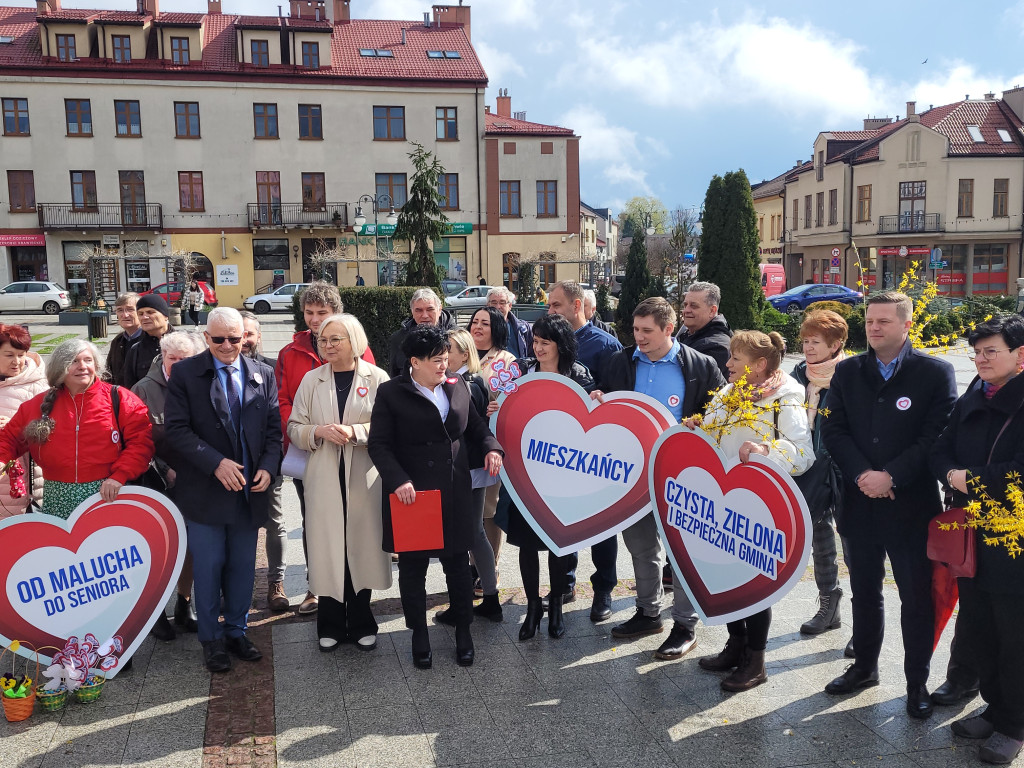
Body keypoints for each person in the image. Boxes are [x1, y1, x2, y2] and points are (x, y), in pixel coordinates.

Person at [822, 291, 957, 719]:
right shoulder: (847, 371)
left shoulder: (934, 372)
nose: (874, 328)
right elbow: (834, 431)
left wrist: (891, 476)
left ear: (906, 324)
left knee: (916, 597)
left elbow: (935, 437)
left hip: (910, 505)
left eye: (883, 321)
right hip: (859, 504)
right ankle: (864, 668)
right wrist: (865, 476)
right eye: (869, 321)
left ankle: (916, 682)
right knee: (865, 591)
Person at [367, 326, 503, 670]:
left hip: (454, 490)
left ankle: (463, 631)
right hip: (413, 495)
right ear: (415, 361)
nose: (445, 366)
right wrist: (398, 480)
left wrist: (491, 448)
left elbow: (476, 427)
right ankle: (419, 633)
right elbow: (379, 444)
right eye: (437, 360)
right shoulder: (391, 393)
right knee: (413, 569)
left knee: (457, 565)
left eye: (446, 359)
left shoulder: (457, 388)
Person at [596, 298, 724, 659]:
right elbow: (606, 402)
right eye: (635, 329)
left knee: (681, 550)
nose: (638, 337)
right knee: (640, 547)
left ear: (669, 329)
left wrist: (703, 426)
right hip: (633, 475)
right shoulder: (621, 362)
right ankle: (648, 613)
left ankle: (684, 624)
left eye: (646, 330)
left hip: (681, 474)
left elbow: (718, 417)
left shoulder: (700, 365)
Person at [164, 308, 282, 674]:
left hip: (249, 490)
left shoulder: (262, 372)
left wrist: (268, 466)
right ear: (206, 338)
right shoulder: (186, 373)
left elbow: (274, 431)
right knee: (210, 566)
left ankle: (236, 630)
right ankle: (210, 639)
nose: (229, 345)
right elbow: (177, 431)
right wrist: (215, 462)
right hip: (205, 491)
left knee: (243, 567)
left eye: (236, 338)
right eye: (220, 339)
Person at [693, 331, 813, 690]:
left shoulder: (786, 396)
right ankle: (736, 645)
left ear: (760, 365)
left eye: (736, 359)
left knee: (753, 581)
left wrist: (766, 451)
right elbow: (714, 434)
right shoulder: (730, 392)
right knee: (727, 575)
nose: (727, 364)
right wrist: (697, 430)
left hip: (761, 505)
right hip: (723, 499)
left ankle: (756, 661)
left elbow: (803, 453)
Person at [929, 315, 1024, 764]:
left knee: (1015, 634)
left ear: (1020, 355)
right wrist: (951, 474)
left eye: (992, 351)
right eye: (978, 351)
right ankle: (995, 705)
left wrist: (973, 480)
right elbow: (943, 442)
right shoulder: (975, 390)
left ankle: (1015, 724)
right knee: (981, 625)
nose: (981, 359)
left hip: (1015, 537)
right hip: (971, 531)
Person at [287, 313, 391, 652]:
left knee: (361, 547)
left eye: (336, 339)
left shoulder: (376, 378)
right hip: (323, 477)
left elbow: (390, 427)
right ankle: (329, 622)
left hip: (364, 476)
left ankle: (362, 620)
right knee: (327, 547)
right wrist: (317, 431)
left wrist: (356, 432)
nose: (328, 345)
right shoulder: (311, 380)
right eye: (323, 340)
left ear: (354, 341)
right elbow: (293, 426)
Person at [276, 281, 373, 615]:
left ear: (337, 313)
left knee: (355, 519)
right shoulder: (291, 352)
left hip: (354, 454)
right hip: (311, 449)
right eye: (309, 312)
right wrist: (308, 428)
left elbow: (371, 393)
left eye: (322, 313)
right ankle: (316, 586)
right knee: (314, 519)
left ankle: (355, 586)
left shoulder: (360, 347)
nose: (315, 320)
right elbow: (284, 399)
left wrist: (349, 429)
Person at [502, 314, 594, 640]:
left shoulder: (578, 375)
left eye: (545, 342)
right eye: (535, 341)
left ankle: (556, 605)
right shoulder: (523, 371)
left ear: (560, 345)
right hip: (526, 474)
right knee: (527, 545)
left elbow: (591, 425)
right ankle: (532, 607)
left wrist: (595, 402)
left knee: (560, 544)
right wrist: (494, 409)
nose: (538, 348)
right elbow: (503, 407)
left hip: (564, 475)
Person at [0, 339, 153, 519]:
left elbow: (141, 443)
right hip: (57, 498)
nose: (82, 366)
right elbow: (9, 439)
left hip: (108, 492)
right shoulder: (36, 405)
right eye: (74, 361)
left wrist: (119, 476)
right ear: (60, 367)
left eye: (88, 360)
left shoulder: (120, 398)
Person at [546, 279, 623, 620]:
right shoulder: (547, 342)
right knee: (562, 520)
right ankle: (564, 583)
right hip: (558, 456)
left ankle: (604, 590)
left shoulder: (605, 346)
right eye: (549, 306)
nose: (550, 311)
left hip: (595, 455)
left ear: (577, 307)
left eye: (556, 306)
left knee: (601, 526)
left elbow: (614, 396)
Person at [132, 331, 203, 641]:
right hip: (157, 483)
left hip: (195, 480)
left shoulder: (200, 382)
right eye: (173, 358)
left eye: (185, 359)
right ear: (162, 356)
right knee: (158, 550)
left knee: (189, 547)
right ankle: (156, 613)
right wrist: (166, 469)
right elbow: (139, 442)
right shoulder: (143, 391)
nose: (178, 364)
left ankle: (184, 605)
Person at [434, 329, 502, 624]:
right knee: (473, 533)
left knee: (470, 533)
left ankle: (483, 599)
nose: (444, 353)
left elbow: (466, 428)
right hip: (471, 467)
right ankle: (489, 597)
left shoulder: (466, 383)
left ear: (465, 353)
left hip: (468, 469)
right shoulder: (468, 381)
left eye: (449, 348)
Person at [790, 309, 849, 636]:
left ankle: (865, 623)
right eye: (806, 341)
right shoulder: (800, 374)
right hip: (809, 466)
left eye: (816, 342)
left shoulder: (851, 374)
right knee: (818, 535)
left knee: (854, 543)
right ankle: (829, 603)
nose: (809, 347)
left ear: (836, 344)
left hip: (844, 468)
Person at [240, 310, 289, 613]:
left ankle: (276, 582)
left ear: (259, 336)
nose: (243, 340)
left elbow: (277, 420)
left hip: (269, 463)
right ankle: (238, 586)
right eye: (239, 333)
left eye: (249, 334)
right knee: (237, 527)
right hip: (231, 467)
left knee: (275, 522)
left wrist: (270, 465)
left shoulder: (271, 369)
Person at [468, 306, 517, 588]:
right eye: (475, 322)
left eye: (484, 323)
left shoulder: (504, 361)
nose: (478, 327)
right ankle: (472, 565)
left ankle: (489, 566)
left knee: (488, 508)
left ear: (496, 328)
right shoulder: (463, 354)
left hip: (490, 443)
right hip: (464, 444)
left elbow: (512, 401)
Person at [0, 325, 47, 518]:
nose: (17, 362)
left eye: (21, 355)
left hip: (27, 483)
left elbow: (53, 429)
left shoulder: (40, 385)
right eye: (9, 355)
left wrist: (15, 426)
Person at [387, 288, 458, 378]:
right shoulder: (399, 339)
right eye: (419, 310)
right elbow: (394, 375)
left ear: (439, 310)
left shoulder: (457, 338)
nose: (424, 315)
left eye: (430, 309)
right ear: (412, 312)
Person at [676, 282, 732, 379]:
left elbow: (692, 384)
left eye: (694, 306)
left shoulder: (717, 347)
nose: (686, 310)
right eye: (685, 305)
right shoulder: (686, 334)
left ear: (712, 311)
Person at [123, 293, 174, 388]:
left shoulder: (186, 343)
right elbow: (130, 388)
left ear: (165, 316)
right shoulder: (135, 350)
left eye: (150, 312)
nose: (144, 317)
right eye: (140, 314)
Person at [105, 292, 141, 386]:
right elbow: (109, 373)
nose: (125, 315)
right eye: (120, 310)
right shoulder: (117, 341)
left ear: (140, 312)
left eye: (130, 310)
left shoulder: (150, 340)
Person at [486, 286, 533, 359]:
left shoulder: (523, 328)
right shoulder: (480, 328)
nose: (498, 307)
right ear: (488, 305)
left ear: (510, 306)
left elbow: (532, 355)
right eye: (494, 303)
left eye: (502, 302)